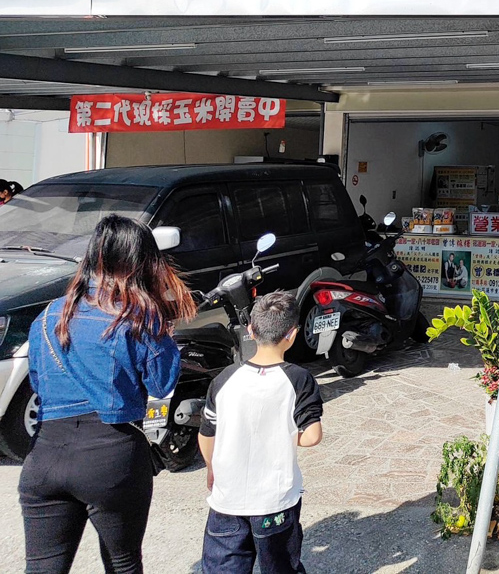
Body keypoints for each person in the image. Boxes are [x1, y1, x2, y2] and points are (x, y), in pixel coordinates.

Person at [19, 214, 196, 573]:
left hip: (45, 455)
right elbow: (162, 385)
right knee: (123, 563)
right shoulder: (140, 317)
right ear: (141, 261)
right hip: (111, 456)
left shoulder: (48, 315)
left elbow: (38, 384)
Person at [199, 291, 323, 574]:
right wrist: (287, 435)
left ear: (251, 331)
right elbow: (312, 435)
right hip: (275, 501)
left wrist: (211, 467)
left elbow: (207, 434)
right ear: (292, 335)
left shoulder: (225, 379)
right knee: (280, 567)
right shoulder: (298, 379)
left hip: (226, 500)